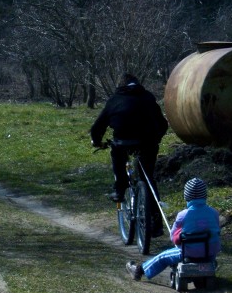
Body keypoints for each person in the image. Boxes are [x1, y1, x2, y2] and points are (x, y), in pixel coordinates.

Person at [90, 72, 168, 234]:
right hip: (148, 142)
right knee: (147, 177)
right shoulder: (148, 97)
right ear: (137, 83)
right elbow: (162, 123)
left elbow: (98, 126)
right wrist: (157, 138)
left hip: (123, 142)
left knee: (118, 157)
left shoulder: (115, 100)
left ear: (121, 85)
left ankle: (120, 189)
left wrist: (97, 141)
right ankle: (156, 223)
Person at [126, 177, 221, 281]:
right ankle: (210, 265)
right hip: (210, 253)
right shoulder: (214, 213)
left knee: (163, 256)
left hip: (188, 252)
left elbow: (173, 237)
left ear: (186, 196)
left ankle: (140, 270)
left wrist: (179, 235)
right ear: (205, 195)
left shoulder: (183, 215)